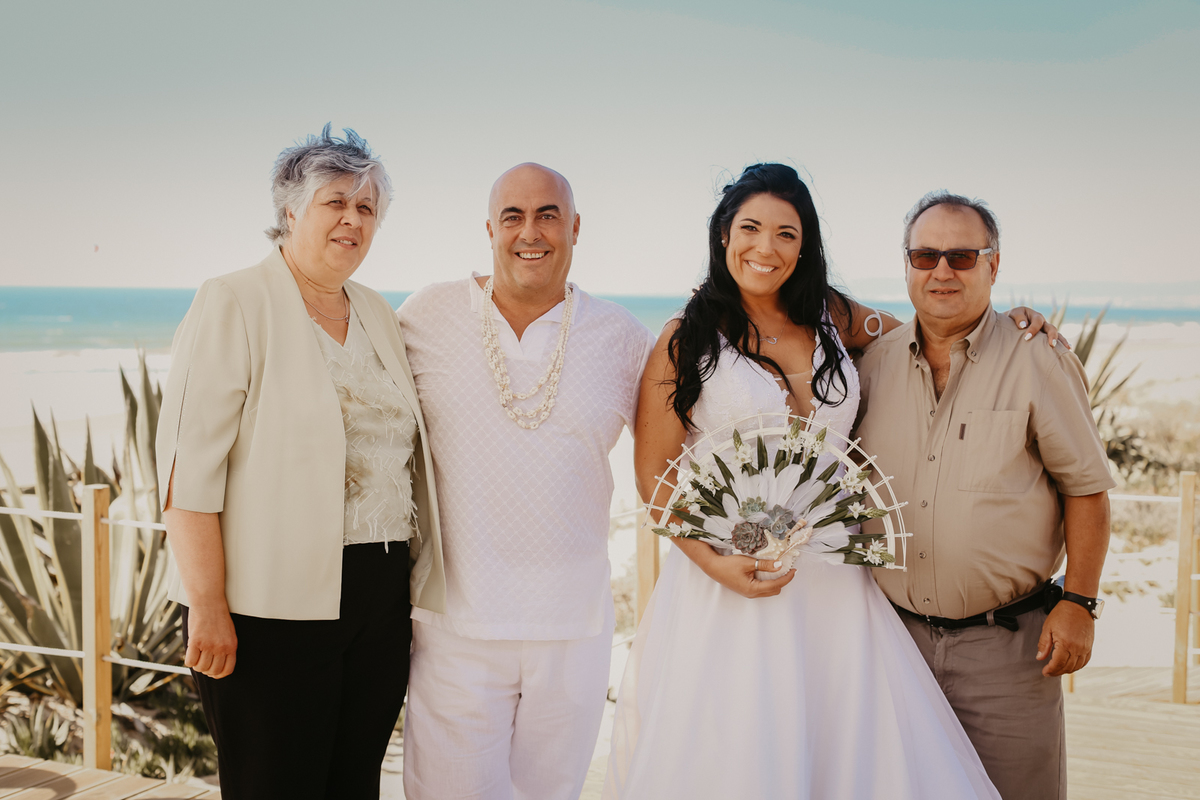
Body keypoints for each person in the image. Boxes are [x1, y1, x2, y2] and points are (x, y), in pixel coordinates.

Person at [604, 163, 1069, 799]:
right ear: (723, 235)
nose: (766, 247)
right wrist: (715, 564)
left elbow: (929, 330)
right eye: (750, 228)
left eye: (786, 234)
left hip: (838, 585)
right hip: (730, 580)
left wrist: (1009, 323)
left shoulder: (833, 316)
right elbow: (655, 478)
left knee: (853, 753)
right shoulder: (686, 340)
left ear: (805, 245)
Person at [156, 125, 444, 800]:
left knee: (353, 785)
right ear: (290, 211)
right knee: (274, 785)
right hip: (266, 606)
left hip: (379, 595)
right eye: (334, 202)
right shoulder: (234, 300)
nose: (353, 219)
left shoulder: (376, 311)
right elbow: (188, 469)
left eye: (366, 207)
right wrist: (207, 604)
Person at [397, 163, 657, 800]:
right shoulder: (427, 315)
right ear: (490, 230)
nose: (530, 232)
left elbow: (674, 461)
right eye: (512, 217)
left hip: (573, 627)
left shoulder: (623, 337)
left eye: (547, 215)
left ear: (575, 228)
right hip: (453, 625)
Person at [855, 191, 1114, 800]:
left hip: (1007, 652)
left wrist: (1080, 602)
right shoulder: (871, 366)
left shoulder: (1037, 359)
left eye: (963, 256)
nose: (942, 270)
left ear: (994, 265)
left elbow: (1086, 488)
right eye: (925, 256)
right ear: (907, 264)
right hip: (893, 646)